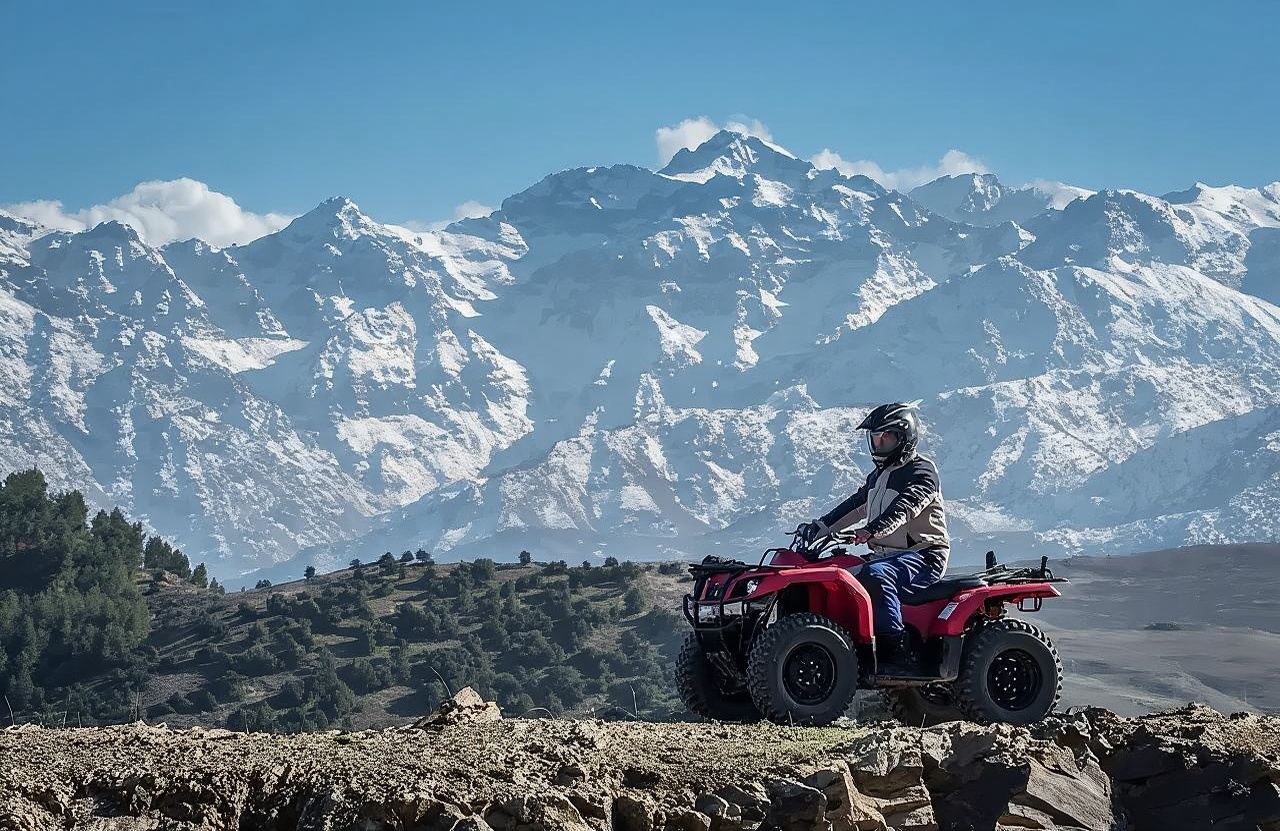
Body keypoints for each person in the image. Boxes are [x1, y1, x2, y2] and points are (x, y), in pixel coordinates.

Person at [796, 401, 950, 671]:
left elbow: (904, 507)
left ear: (904, 438)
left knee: (877, 576)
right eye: (875, 439)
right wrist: (820, 527)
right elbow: (855, 505)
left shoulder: (922, 472)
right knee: (839, 572)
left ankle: (894, 650)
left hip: (923, 555)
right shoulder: (879, 476)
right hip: (886, 554)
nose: (879, 445)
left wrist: (871, 530)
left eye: (886, 438)